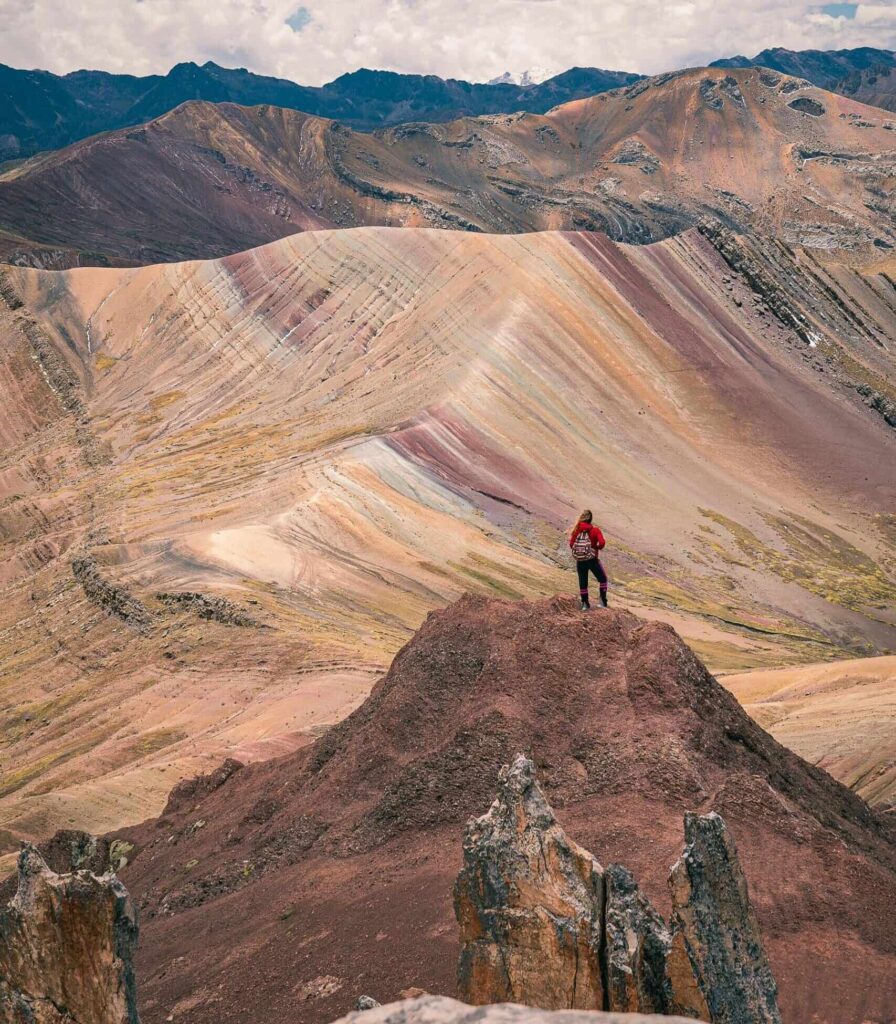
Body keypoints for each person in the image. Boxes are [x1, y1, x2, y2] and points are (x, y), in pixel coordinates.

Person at [569, 509, 608, 611]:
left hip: (580, 560)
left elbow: (571, 545)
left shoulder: (577, 530)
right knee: (603, 579)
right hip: (592, 559)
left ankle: (585, 604)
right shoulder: (595, 530)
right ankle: (602, 601)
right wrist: (595, 548)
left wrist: (580, 551)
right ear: (591, 519)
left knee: (583, 581)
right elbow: (602, 543)